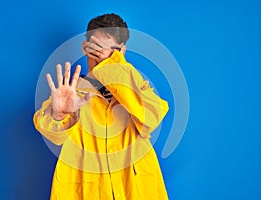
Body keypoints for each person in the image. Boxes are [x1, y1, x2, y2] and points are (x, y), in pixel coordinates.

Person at [33, 13, 169, 200]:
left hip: (135, 188)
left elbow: (152, 118)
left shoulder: (136, 86)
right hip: (86, 190)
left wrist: (113, 68)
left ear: (122, 53)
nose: (103, 55)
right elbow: (49, 129)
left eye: (112, 52)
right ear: (85, 47)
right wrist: (57, 115)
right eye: (96, 48)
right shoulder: (70, 91)